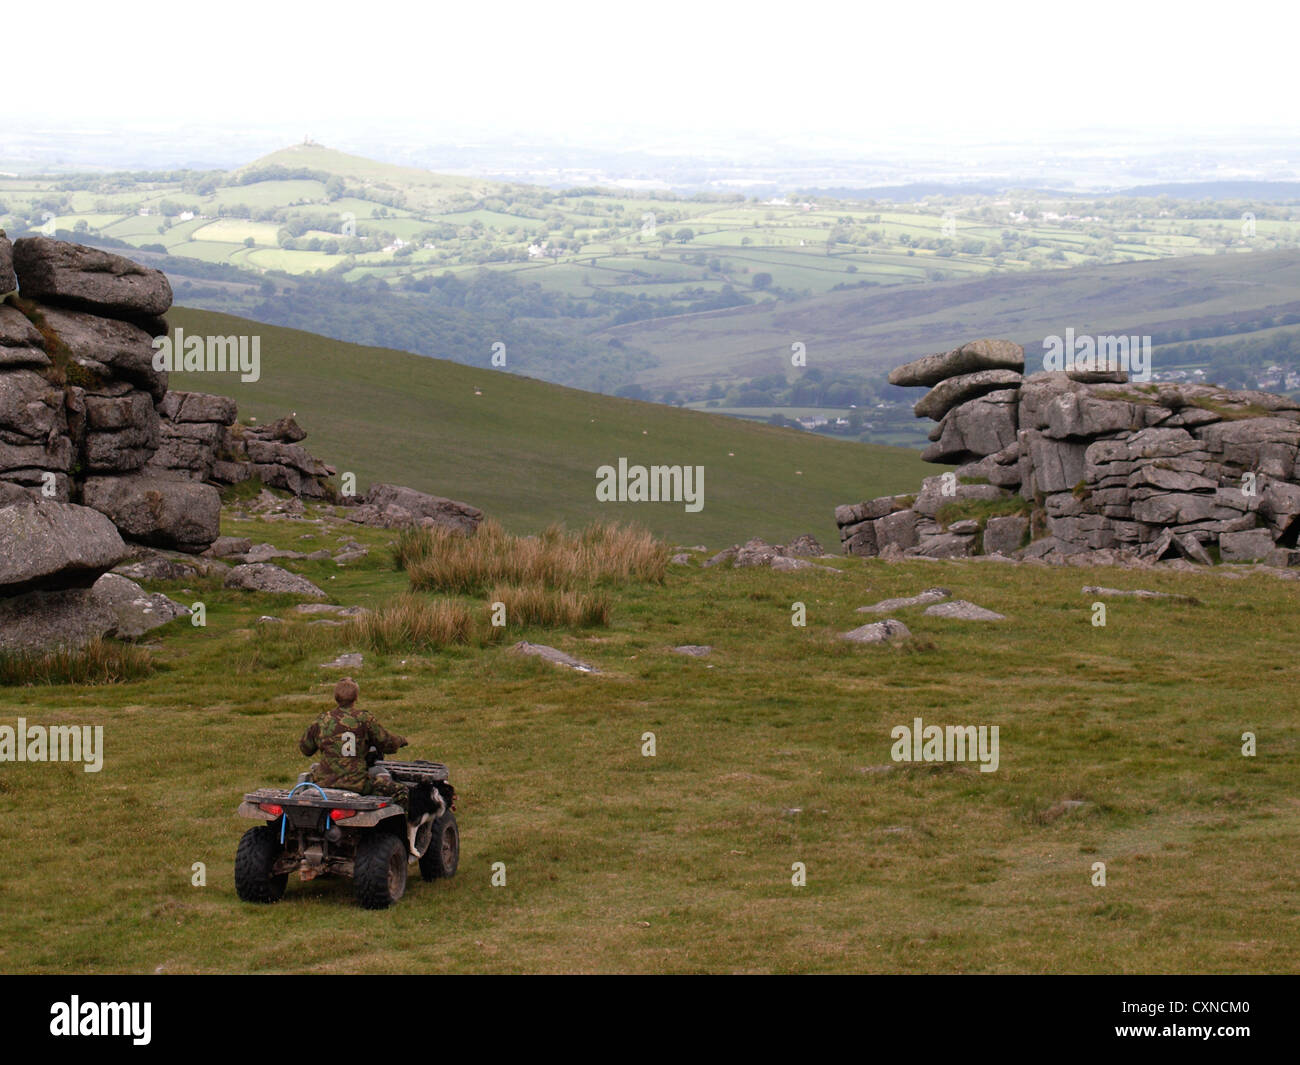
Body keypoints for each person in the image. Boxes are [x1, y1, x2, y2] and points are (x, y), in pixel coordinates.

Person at [299, 677, 409, 809]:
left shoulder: (322, 720)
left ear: (336, 697)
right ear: (356, 697)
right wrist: (401, 740)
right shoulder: (364, 719)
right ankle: (405, 829)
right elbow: (387, 743)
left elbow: (306, 749)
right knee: (401, 792)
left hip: (324, 782)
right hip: (357, 783)